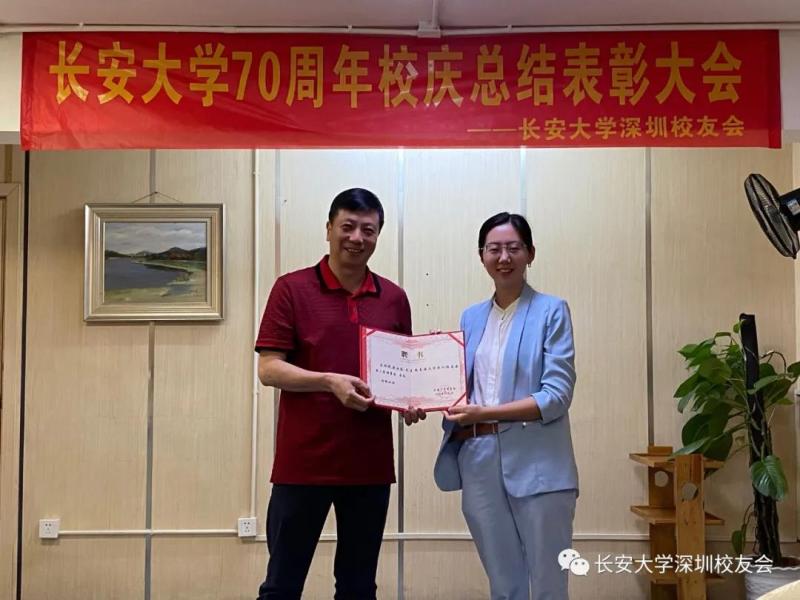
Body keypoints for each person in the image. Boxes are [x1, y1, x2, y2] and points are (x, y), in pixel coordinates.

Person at [254, 188, 424, 600]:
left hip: (370, 465)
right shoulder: (291, 288)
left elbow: (404, 371)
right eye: (347, 226)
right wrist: (329, 381)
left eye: (368, 229)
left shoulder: (394, 298)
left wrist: (410, 400)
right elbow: (269, 368)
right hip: (303, 464)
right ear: (328, 228)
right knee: (282, 585)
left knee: (358, 587)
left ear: (378, 234)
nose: (357, 238)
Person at [433, 212, 578, 600]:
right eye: (494, 249)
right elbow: (458, 388)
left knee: (548, 584)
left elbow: (556, 396)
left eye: (513, 248)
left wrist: (486, 413)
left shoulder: (552, 310)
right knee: (503, 583)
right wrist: (423, 392)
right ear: (481, 255)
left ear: (530, 253)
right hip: (478, 460)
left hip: (540, 462)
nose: (503, 257)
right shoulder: (471, 317)